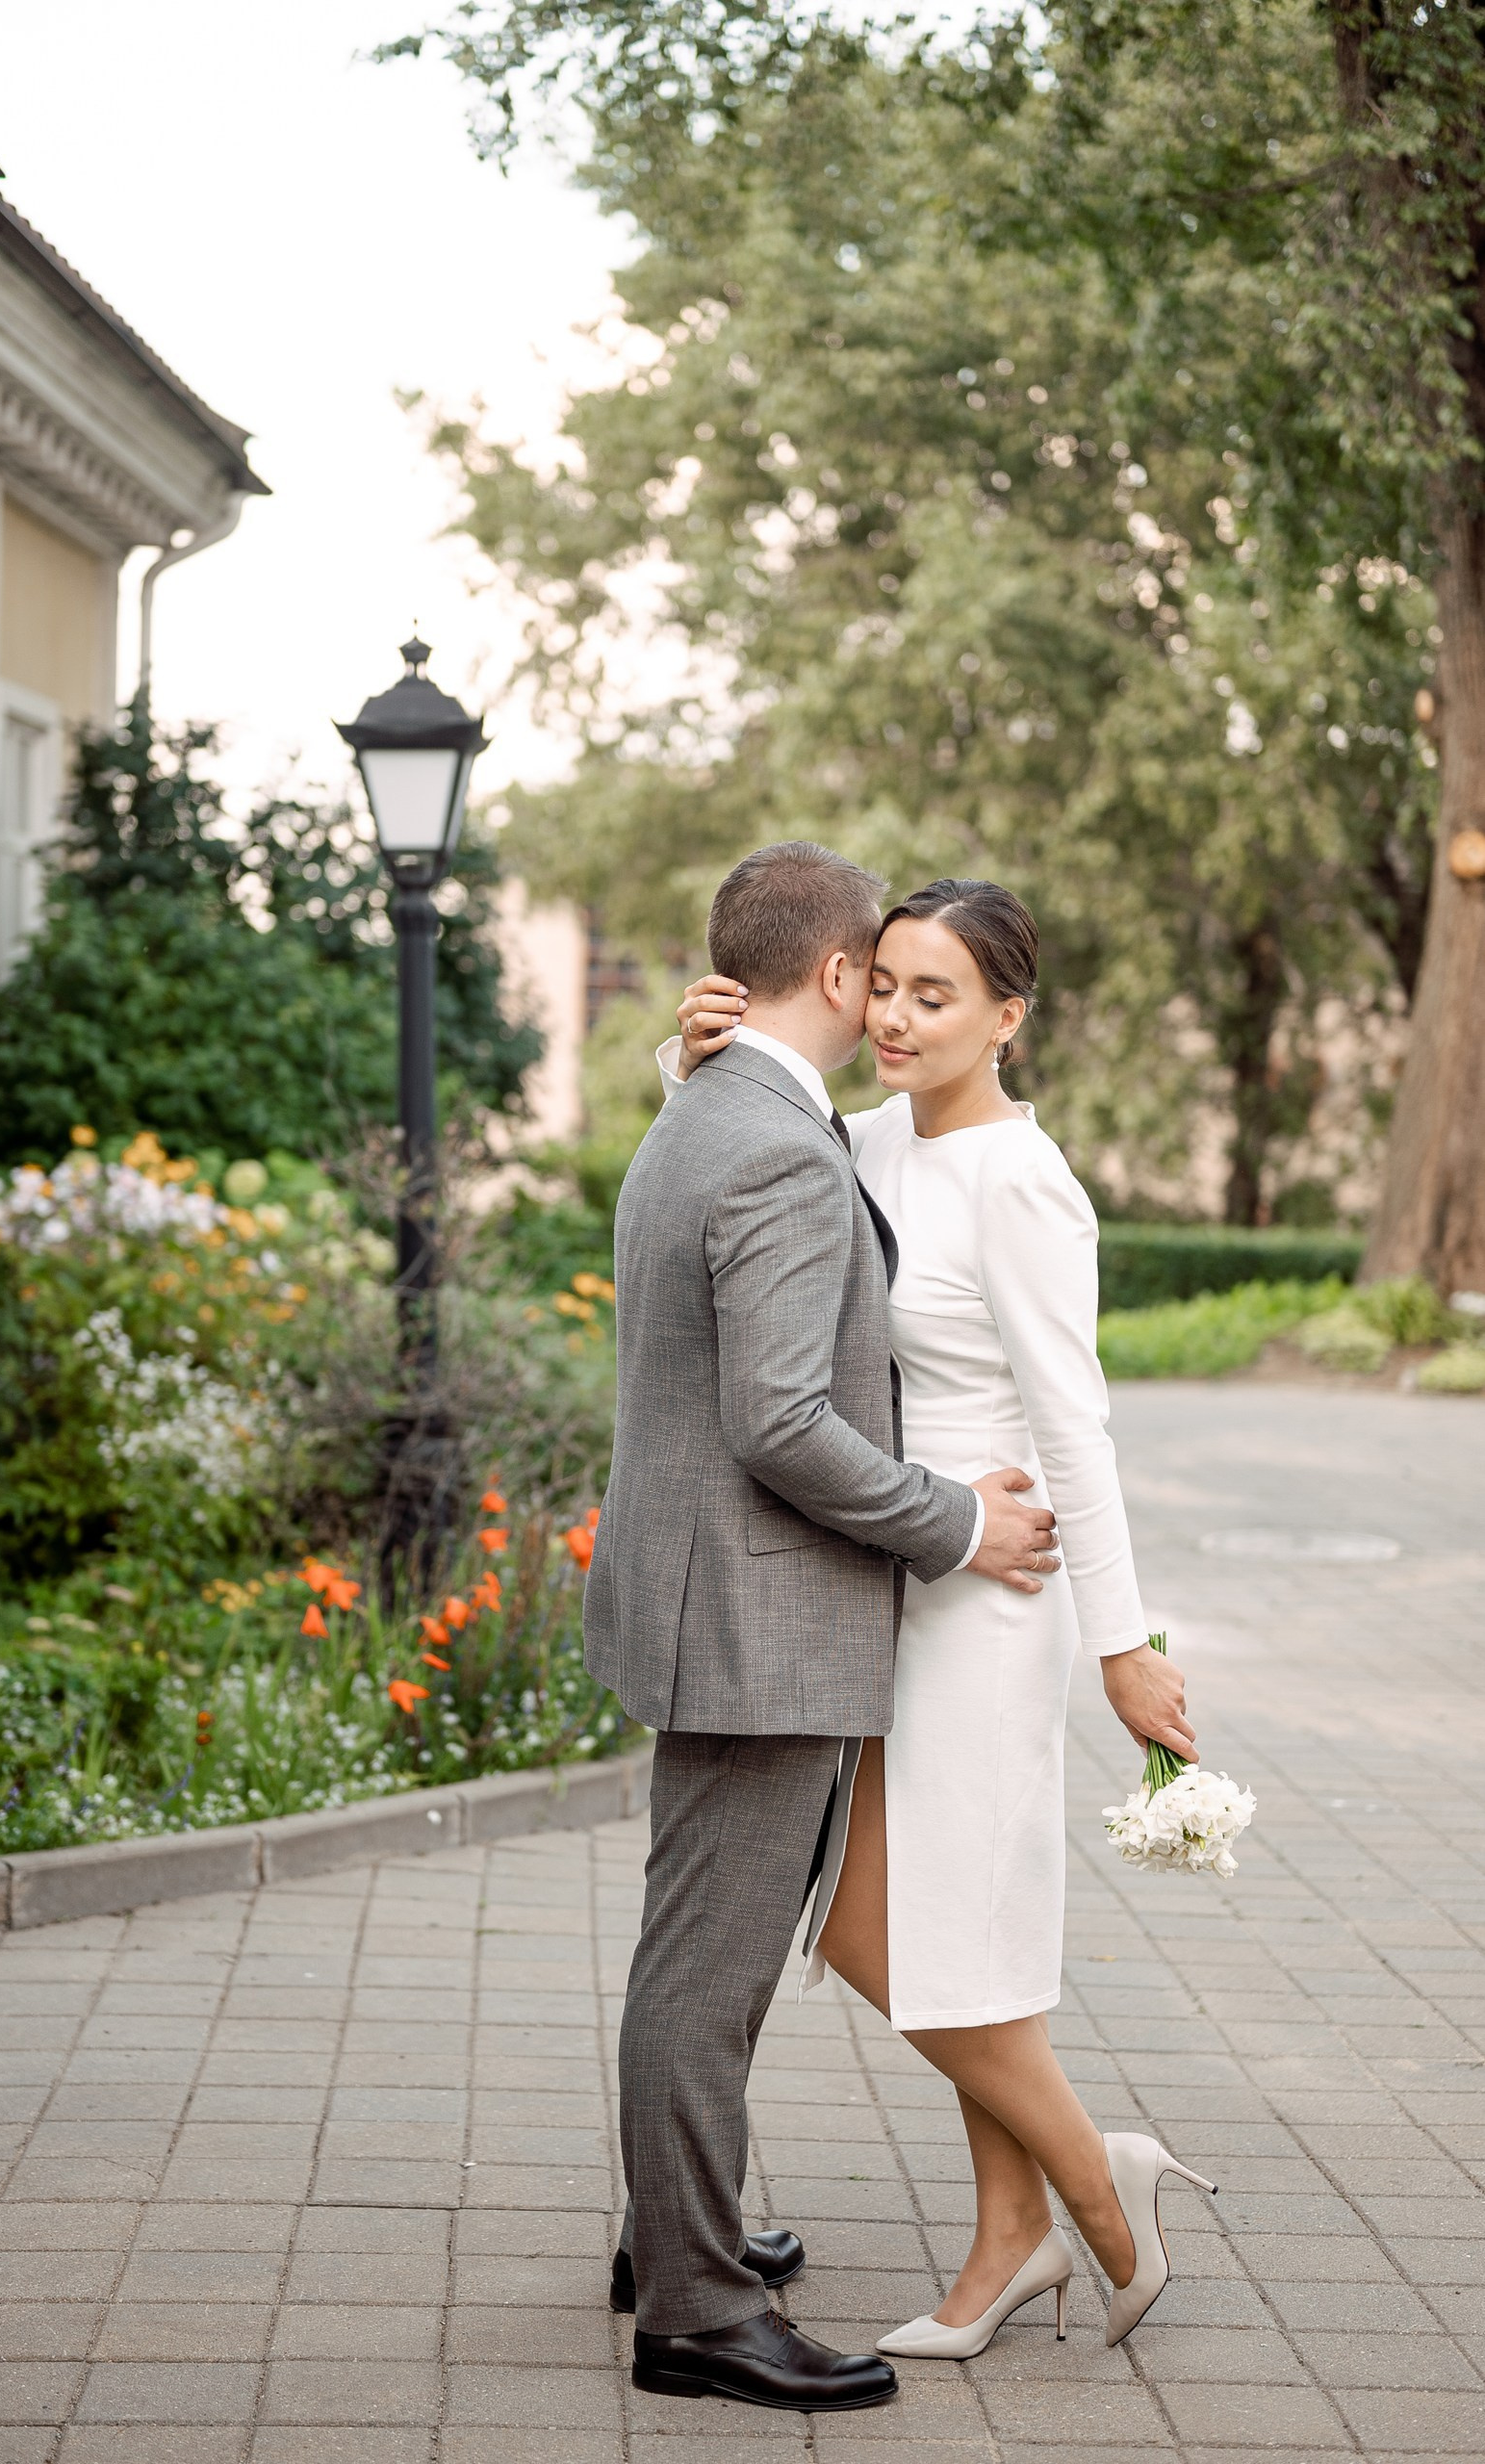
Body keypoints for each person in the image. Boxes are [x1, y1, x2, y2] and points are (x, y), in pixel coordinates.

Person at [665, 872, 1214, 2361]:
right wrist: (696, 1057)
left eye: (937, 996)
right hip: (887, 1574)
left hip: (988, 1595)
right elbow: (758, 1171)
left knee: (921, 1932)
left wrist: (1125, 1643)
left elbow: (1076, 1428)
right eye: (885, 985)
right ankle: (1024, 2226)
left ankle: (1086, 2196)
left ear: (1007, 1019)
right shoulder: (864, 1136)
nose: (897, 1018)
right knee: (881, 1930)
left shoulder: (1022, 1184)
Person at [586, 842, 1064, 2413]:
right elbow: (783, 1420)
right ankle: (697, 2314)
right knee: (705, 1973)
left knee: (691, 1949)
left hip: (700, 1601)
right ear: (840, 974)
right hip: (754, 1618)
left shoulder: (706, 1104)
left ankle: (673, 2236)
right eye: (883, 975)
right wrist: (958, 1520)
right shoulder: (780, 1145)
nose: (891, 1009)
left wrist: (684, 1046)